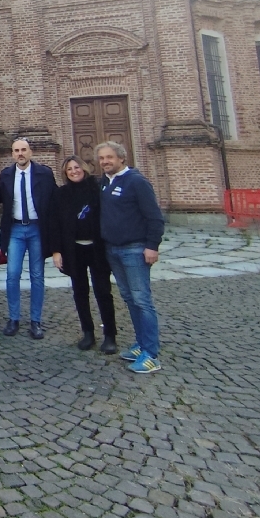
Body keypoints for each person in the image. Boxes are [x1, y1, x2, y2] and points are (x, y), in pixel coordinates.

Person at [97, 141, 165, 374]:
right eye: (102, 158)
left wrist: (152, 246)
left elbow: (154, 217)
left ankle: (151, 354)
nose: (105, 162)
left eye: (109, 157)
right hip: (113, 249)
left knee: (142, 300)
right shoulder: (105, 183)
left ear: (121, 158)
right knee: (129, 298)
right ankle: (140, 345)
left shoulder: (136, 181)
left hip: (135, 249)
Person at [46, 156, 118, 353]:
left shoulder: (97, 188)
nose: (73, 171)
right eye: (69, 169)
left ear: (84, 169)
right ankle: (88, 332)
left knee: (103, 292)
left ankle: (110, 335)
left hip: (97, 248)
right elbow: (54, 223)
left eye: (76, 167)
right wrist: (56, 251)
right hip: (74, 249)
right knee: (80, 293)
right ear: (65, 173)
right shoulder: (61, 194)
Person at [0, 138, 56, 339]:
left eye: (23, 150)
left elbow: (53, 202)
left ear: (30, 152)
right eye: (16, 151)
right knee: (12, 275)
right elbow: (1, 203)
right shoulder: (5, 175)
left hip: (36, 229)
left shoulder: (45, 174)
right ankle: (13, 318)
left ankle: (35, 321)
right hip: (15, 229)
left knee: (37, 276)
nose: (20, 154)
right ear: (12, 154)